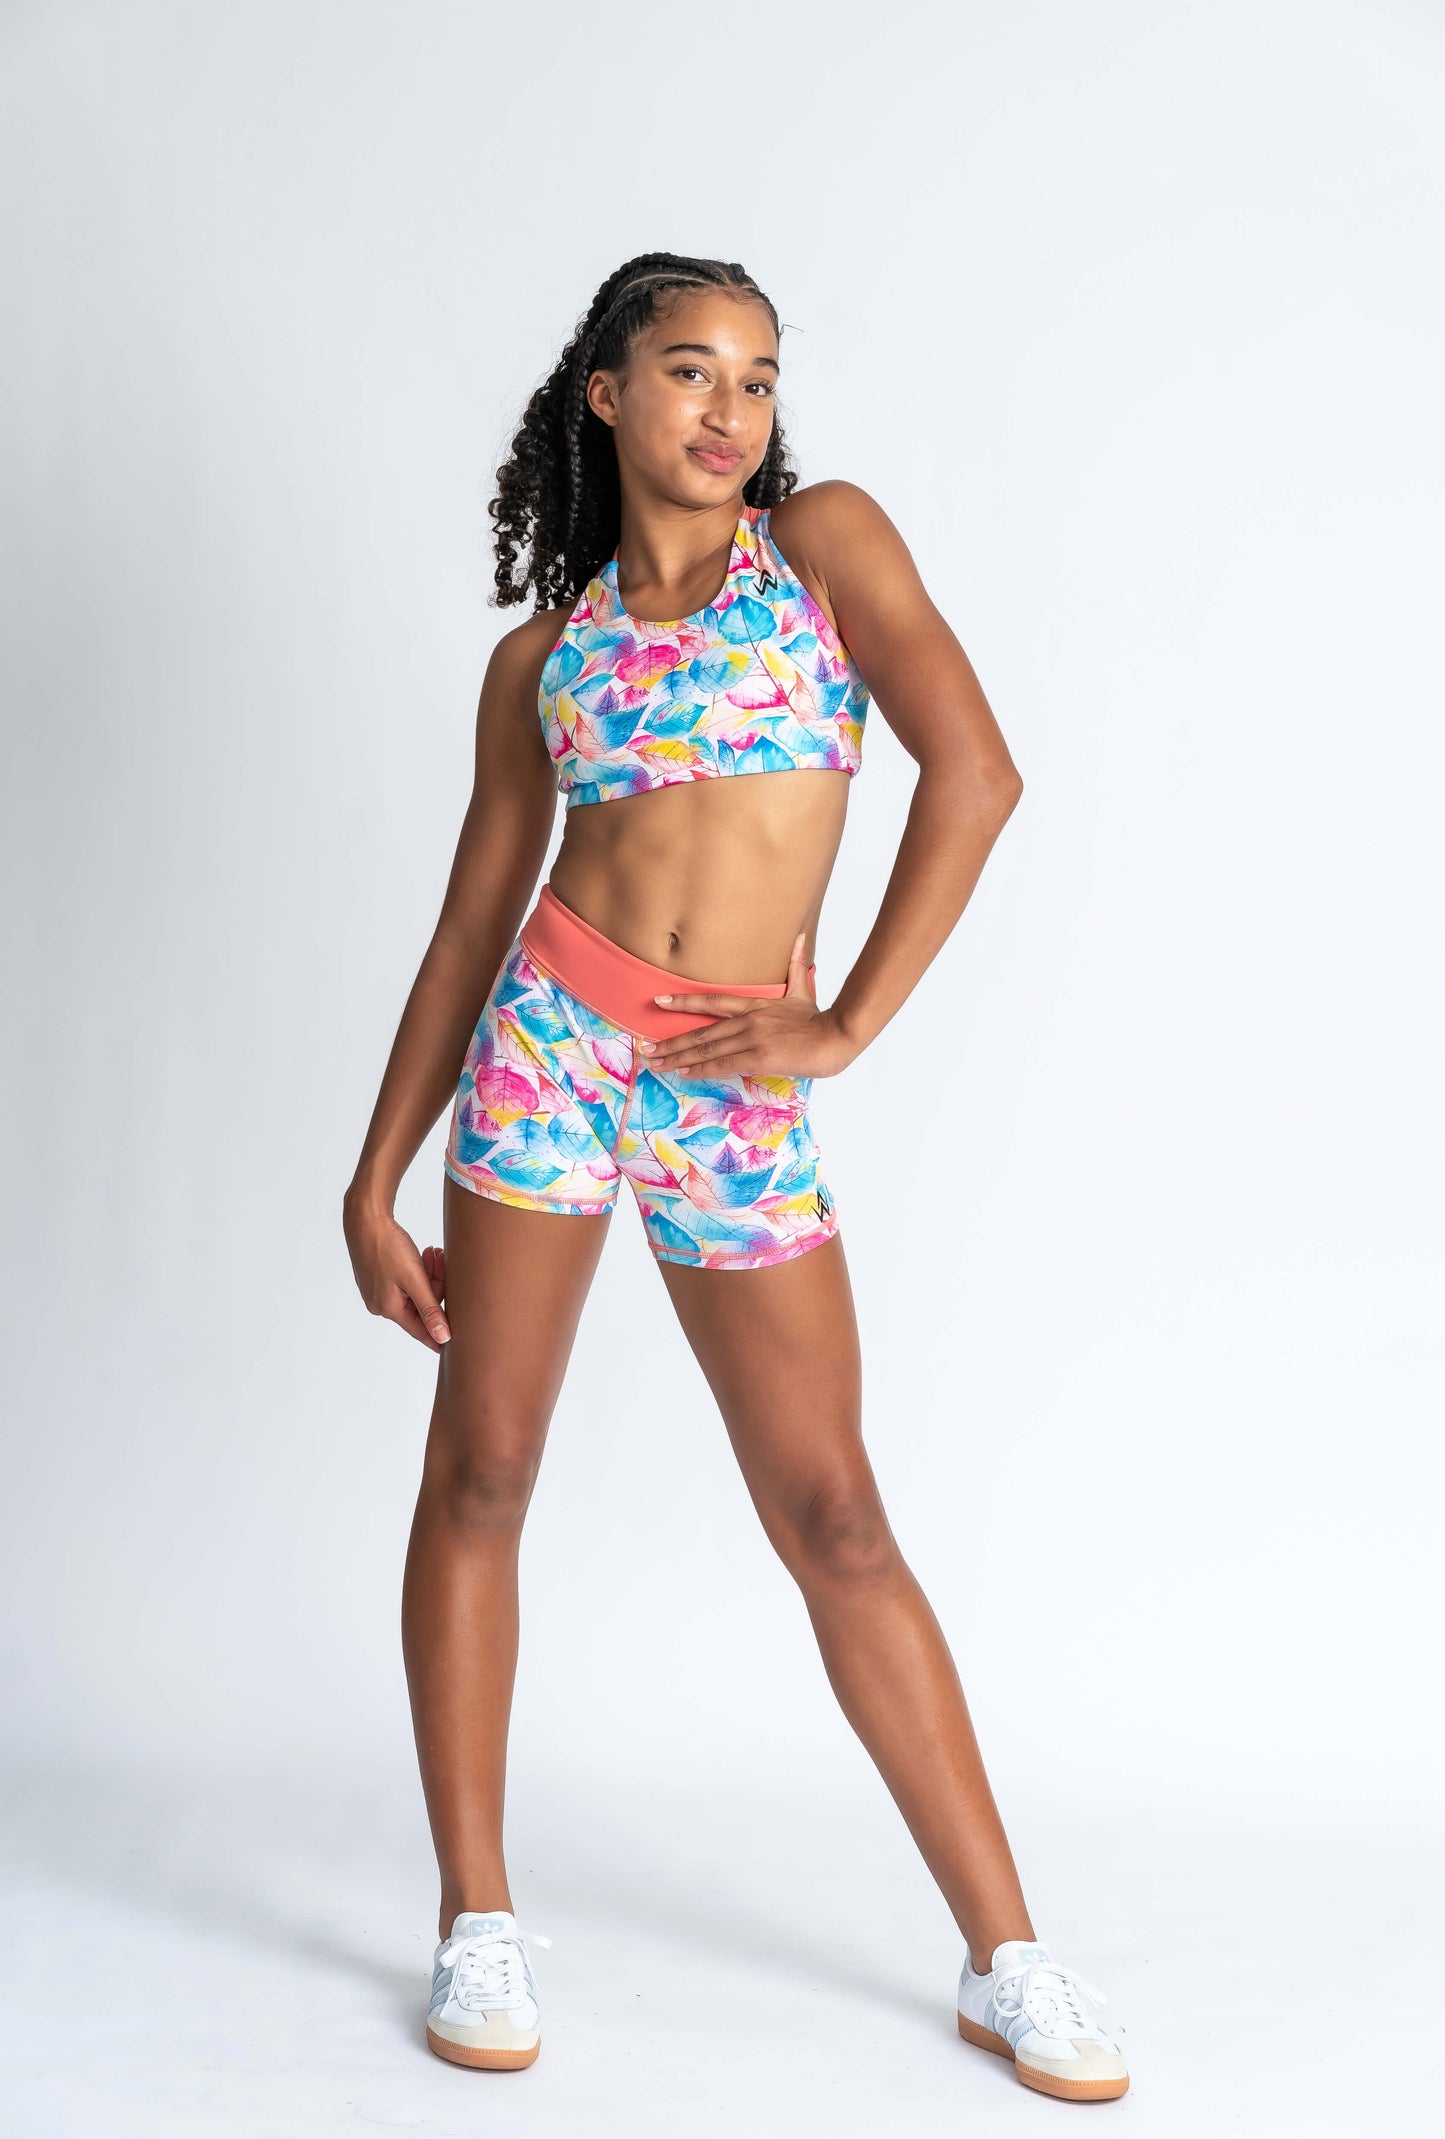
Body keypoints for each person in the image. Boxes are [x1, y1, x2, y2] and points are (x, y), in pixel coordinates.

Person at [342, 251, 1130, 2103]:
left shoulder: (826, 546)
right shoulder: (540, 660)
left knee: (832, 1514)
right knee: (487, 1463)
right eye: (689, 372)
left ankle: (1007, 1956)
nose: (728, 411)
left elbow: (977, 774)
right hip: (547, 1047)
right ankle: (478, 1915)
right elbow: (473, 920)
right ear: (603, 396)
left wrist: (842, 1020)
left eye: (758, 380)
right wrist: (375, 1177)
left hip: (728, 1085)